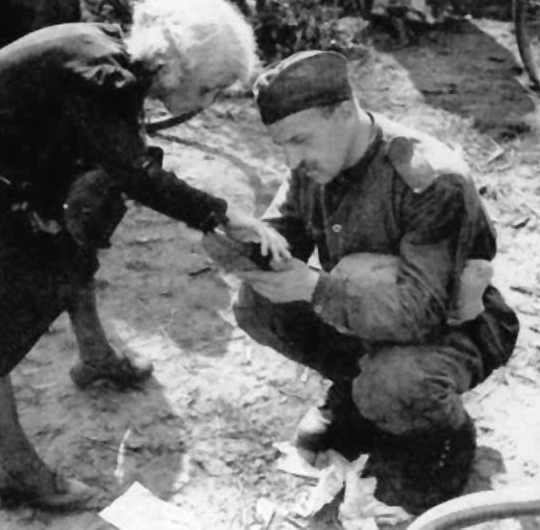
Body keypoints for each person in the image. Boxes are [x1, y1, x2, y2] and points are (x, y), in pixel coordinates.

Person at [0, 0, 290, 511]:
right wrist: (222, 214)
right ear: (175, 67)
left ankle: (95, 356)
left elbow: (111, 162)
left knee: (74, 237)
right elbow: (138, 175)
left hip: (14, 158)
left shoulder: (116, 65)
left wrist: (54, 200)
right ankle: (17, 467)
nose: (207, 103)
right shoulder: (103, 79)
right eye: (208, 88)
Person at [206, 50, 519, 513]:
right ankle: (354, 396)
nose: (292, 159)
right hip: (371, 315)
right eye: (282, 145)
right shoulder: (319, 162)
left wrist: (314, 288)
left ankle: (444, 442)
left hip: (454, 328)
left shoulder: (429, 179)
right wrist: (235, 239)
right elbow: (283, 236)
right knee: (258, 303)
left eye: (300, 140)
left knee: (393, 385)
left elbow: (423, 312)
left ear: (342, 112)